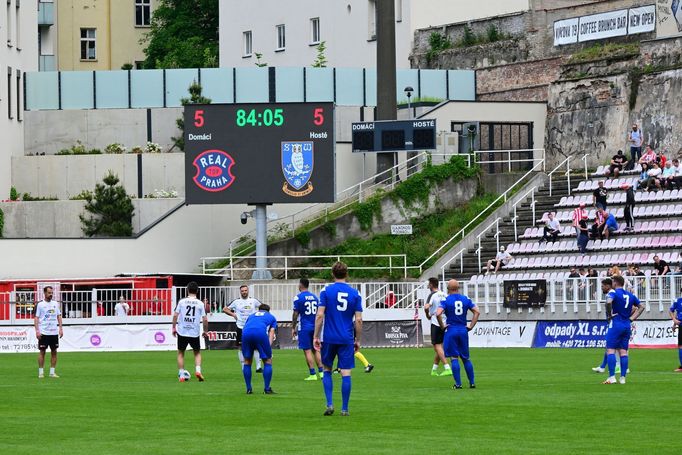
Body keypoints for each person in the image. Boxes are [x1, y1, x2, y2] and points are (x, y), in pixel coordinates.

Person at [314, 261, 363, 417]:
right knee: (346, 373)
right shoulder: (355, 293)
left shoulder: (326, 291)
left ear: (332, 273)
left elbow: (320, 315)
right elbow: (359, 319)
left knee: (327, 370)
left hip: (329, 337)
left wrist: (315, 336)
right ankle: (345, 409)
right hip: (347, 337)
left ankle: (329, 404)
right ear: (347, 274)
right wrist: (358, 339)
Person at [435, 279, 480, 389]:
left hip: (451, 330)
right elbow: (477, 312)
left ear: (448, 288)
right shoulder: (465, 299)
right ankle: (472, 382)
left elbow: (438, 313)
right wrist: (471, 326)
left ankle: (458, 384)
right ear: (458, 288)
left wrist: (442, 326)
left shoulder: (446, 299)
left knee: (454, 358)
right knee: (465, 358)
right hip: (463, 330)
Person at [601, 276, 644, 384]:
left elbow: (608, 302)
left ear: (615, 283)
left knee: (610, 350)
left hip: (616, 323)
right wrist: (632, 318)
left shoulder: (614, 293)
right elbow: (641, 307)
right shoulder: (630, 295)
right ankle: (623, 378)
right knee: (623, 352)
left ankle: (611, 377)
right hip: (626, 324)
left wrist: (609, 315)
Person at [172, 282, 208, 382]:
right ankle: (198, 371)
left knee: (180, 353)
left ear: (187, 290)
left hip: (183, 331)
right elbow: (205, 319)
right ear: (197, 291)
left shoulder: (182, 301)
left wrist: (174, 328)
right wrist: (205, 331)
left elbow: (175, 315)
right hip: (194, 332)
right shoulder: (200, 303)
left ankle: (182, 374)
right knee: (197, 353)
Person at [224, 285, 263, 372]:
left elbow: (263, 307)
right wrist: (233, 314)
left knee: (256, 346)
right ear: (240, 292)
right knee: (241, 347)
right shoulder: (236, 301)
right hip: (241, 327)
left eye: (245, 290)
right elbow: (225, 309)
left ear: (248, 291)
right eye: (242, 291)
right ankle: (243, 366)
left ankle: (258, 366)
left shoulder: (253, 301)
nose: (244, 292)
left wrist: (258, 317)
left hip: (252, 327)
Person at [291, 278, 324, 381]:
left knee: (307, 351)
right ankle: (322, 373)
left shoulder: (298, 298)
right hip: (315, 326)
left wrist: (293, 327)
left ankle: (313, 374)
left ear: (300, 285)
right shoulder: (315, 297)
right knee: (316, 350)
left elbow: (295, 314)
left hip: (304, 327)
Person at [241, 303, 277, 394]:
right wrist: (268, 347)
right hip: (260, 333)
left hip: (246, 334)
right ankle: (267, 389)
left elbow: (246, 326)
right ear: (268, 310)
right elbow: (271, 332)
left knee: (247, 361)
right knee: (267, 361)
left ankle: (249, 389)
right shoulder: (271, 317)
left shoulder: (251, 316)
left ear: (259, 310)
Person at [423, 277, 451, 377]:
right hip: (445, 322)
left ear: (431, 284)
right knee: (440, 347)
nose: (428, 286)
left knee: (437, 347)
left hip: (436, 322)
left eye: (428, 284)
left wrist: (427, 315)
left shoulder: (432, 295)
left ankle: (447, 368)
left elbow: (426, 307)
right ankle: (434, 370)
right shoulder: (444, 294)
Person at [34, 286, 63, 378]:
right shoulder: (40, 304)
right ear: (45, 293)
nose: (51, 294)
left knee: (54, 352)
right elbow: (36, 318)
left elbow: (59, 316)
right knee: (42, 352)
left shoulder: (55, 304)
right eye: (49, 293)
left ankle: (52, 372)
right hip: (44, 332)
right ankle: (41, 372)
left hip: (54, 332)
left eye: (52, 293)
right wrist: (37, 330)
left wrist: (61, 328)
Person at [669, 292, 682, 372]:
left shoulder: (678, 301)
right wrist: (674, 322)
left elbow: (671, 311)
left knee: (681, 346)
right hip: (680, 324)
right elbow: (672, 311)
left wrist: (674, 320)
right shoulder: (678, 301)